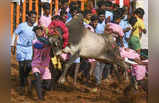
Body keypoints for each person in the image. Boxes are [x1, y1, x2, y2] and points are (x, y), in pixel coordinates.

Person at [11, 11, 37, 94]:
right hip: (20, 47)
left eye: (35, 17)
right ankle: (22, 84)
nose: (34, 19)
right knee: (22, 66)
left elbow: (36, 38)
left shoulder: (35, 27)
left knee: (29, 65)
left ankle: (24, 77)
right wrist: (12, 45)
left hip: (29, 48)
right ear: (28, 17)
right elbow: (15, 34)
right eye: (32, 17)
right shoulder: (22, 26)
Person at [31, 26, 52, 100]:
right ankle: (40, 98)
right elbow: (40, 46)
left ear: (43, 32)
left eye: (40, 31)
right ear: (35, 33)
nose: (39, 32)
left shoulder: (48, 40)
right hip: (36, 64)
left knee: (48, 86)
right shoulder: (34, 42)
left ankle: (35, 83)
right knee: (38, 79)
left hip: (45, 66)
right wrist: (49, 42)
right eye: (37, 31)